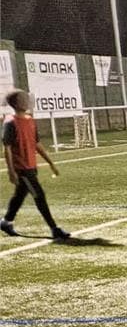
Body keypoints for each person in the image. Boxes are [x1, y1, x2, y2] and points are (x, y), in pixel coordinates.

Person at [0, 91, 70, 242]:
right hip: (22, 169)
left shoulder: (30, 120)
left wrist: (51, 163)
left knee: (19, 195)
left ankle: (6, 222)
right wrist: (11, 171)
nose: (26, 101)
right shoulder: (10, 122)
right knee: (40, 196)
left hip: (32, 166)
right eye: (22, 99)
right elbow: (7, 148)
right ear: (15, 103)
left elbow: (36, 144)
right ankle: (54, 229)